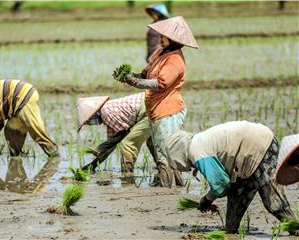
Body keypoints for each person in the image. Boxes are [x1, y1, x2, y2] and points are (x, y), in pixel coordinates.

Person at [164, 121, 298, 235]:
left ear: (178, 154)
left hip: (260, 146)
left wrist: (206, 199)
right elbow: (226, 183)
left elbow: (221, 185)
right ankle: (231, 232)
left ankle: (296, 230)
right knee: (235, 205)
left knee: (273, 202)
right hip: (246, 153)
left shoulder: (197, 152)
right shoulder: (198, 142)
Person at [118, 16, 199, 187]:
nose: (160, 38)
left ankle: (167, 191)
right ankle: (175, 186)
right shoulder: (160, 53)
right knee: (164, 150)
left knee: (165, 153)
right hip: (155, 110)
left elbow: (161, 83)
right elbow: (146, 74)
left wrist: (136, 83)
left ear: (173, 40)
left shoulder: (175, 59)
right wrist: (131, 76)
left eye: (163, 36)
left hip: (168, 111)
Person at [77, 92, 156, 174]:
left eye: (89, 120)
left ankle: (127, 175)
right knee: (152, 142)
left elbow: (124, 133)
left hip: (148, 105)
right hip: (151, 103)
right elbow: (111, 146)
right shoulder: (109, 116)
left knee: (127, 143)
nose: (91, 123)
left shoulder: (106, 112)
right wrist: (92, 165)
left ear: (93, 114)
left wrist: (102, 147)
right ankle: (163, 168)